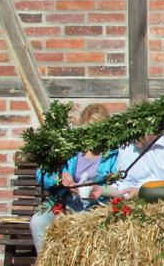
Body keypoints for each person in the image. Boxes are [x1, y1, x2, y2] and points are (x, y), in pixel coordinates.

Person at [29, 103, 126, 253]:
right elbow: (42, 173)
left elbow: (120, 183)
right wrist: (59, 178)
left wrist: (96, 190)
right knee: (38, 220)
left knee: (80, 222)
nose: (92, 137)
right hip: (66, 206)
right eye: (87, 131)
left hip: (97, 207)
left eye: (96, 131)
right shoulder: (72, 151)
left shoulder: (114, 154)